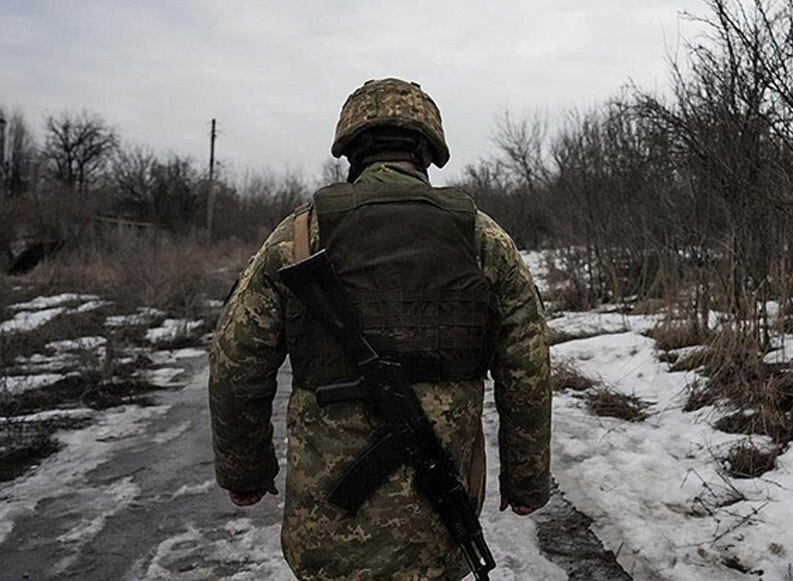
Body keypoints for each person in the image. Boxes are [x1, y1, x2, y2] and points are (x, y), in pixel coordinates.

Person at [208, 78, 551, 580]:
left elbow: (236, 361)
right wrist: (525, 481)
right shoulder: (483, 238)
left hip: (326, 530)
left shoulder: (298, 237)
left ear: (351, 151)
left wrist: (245, 472)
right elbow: (528, 369)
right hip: (438, 529)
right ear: (429, 152)